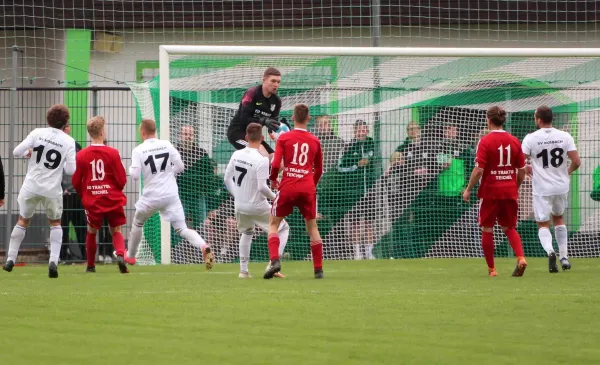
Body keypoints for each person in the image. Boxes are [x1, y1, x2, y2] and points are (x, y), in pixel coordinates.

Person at [125, 119, 214, 269]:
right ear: (155, 131)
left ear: (142, 132)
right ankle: (203, 245)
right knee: (182, 229)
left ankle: (131, 256)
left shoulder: (138, 150)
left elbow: (134, 175)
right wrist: (168, 175)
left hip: (152, 196)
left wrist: (132, 170)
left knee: (138, 223)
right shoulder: (167, 144)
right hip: (170, 195)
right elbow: (180, 167)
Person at [3, 104, 76, 278]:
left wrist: (30, 153)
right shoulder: (68, 141)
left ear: (48, 119)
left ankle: (11, 259)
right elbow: (71, 170)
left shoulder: (37, 133)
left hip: (31, 186)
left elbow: (16, 151)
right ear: (65, 122)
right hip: (52, 190)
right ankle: (53, 262)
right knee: (55, 223)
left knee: (22, 220)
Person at [462, 105, 528, 277]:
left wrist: (468, 190)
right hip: (509, 191)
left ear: (489, 120)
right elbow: (522, 169)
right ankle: (520, 258)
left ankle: (492, 269)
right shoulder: (514, 140)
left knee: (487, 228)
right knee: (509, 227)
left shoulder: (485, 141)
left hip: (490, 192)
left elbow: (478, 170)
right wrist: (516, 186)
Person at [224, 123, 291, 278]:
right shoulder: (261, 159)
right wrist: (276, 198)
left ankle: (243, 271)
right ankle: (272, 265)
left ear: (246, 138)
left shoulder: (236, 155)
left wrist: (238, 195)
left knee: (247, 233)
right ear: (262, 138)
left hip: (240, 205)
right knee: (282, 228)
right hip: (257, 205)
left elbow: (227, 180)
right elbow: (262, 187)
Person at [266, 103, 324, 279]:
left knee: (274, 224)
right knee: (312, 227)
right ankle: (318, 270)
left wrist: (273, 179)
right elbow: (319, 169)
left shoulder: (284, 138)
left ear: (292, 118)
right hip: (307, 188)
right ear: (309, 118)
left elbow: (276, 164)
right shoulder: (315, 140)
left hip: (288, 185)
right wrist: (310, 184)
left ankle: (275, 260)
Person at [521, 105, 580, 272]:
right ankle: (564, 257)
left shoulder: (531, 138)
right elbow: (577, 161)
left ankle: (550, 251)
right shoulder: (564, 136)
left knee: (543, 223)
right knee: (559, 219)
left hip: (542, 188)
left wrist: (528, 170)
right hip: (561, 186)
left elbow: (520, 162)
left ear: (539, 119)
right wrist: (566, 172)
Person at [71, 116, 129, 273]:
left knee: (91, 230)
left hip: (93, 199)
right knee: (115, 229)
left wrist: (84, 195)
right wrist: (114, 189)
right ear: (103, 132)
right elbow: (122, 179)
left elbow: (76, 180)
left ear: (90, 133)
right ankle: (121, 255)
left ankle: (90, 266)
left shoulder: (82, 155)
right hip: (111, 197)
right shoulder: (113, 153)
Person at [338, 120, 377, 260]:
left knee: (368, 222)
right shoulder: (348, 146)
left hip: (370, 190)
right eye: (360, 129)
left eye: (364, 129)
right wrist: (356, 165)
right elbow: (340, 167)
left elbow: (376, 160)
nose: (362, 131)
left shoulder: (372, 143)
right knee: (354, 222)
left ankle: (369, 252)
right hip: (354, 191)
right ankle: (356, 253)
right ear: (355, 131)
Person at [227, 67, 282, 157]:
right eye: (273, 81)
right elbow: (244, 119)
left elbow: (272, 126)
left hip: (255, 137)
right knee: (262, 154)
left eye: (278, 82)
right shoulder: (252, 93)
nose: (276, 84)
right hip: (237, 133)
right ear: (264, 80)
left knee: (276, 160)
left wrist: (281, 128)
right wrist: (263, 121)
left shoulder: (276, 101)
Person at [60, 123, 87, 261]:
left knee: (81, 225)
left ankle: (85, 256)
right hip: (63, 195)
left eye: (68, 126)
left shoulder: (76, 146)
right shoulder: (56, 146)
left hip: (77, 194)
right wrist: (60, 188)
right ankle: (62, 256)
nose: (68, 128)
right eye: (66, 126)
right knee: (62, 226)